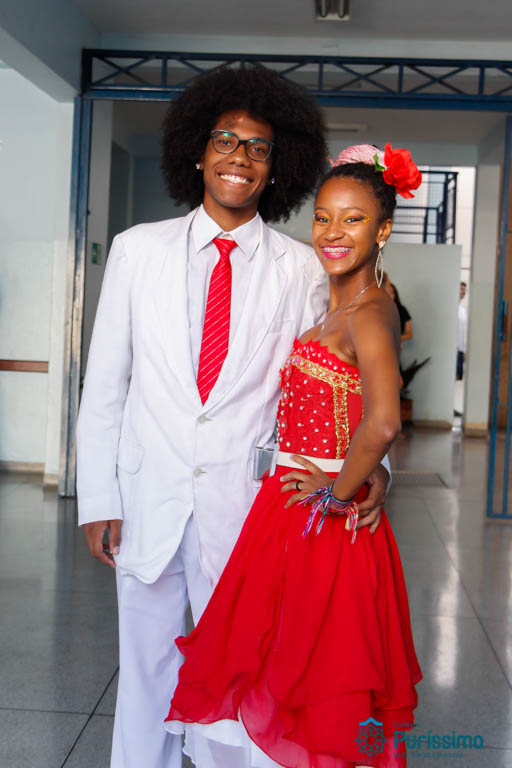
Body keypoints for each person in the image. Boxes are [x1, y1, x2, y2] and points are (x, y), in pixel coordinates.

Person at [76, 67, 391, 768]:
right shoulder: (136, 250)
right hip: (147, 498)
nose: (239, 158)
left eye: (257, 147)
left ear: (277, 166)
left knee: (243, 674)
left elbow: (339, 383)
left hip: (251, 510)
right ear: (198, 150)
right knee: (146, 670)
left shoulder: (302, 268)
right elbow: (106, 386)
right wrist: (98, 497)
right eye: (225, 140)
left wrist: (377, 471)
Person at [165, 143, 423, 768]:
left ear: (383, 231)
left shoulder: (371, 313)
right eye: (323, 217)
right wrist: (362, 477)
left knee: (314, 680)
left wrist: (338, 493)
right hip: (288, 511)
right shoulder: (342, 305)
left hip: (323, 522)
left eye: (354, 219)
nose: (333, 232)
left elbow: (384, 420)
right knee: (279, 666)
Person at [383, 276, 413, 343]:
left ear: (395, 294)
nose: (389, 295)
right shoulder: (379, 311)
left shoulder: (401, 310)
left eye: (391, 292)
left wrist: (394, 339)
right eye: (387, 292)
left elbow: (409, 334)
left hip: (396, 345)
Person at [457, 281, 468, 380]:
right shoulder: (451, 308)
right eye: (461, 289)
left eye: (465, 290)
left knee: (459, 376)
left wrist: (464, 351)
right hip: (453, 349)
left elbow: (464, 331)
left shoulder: (463, 311)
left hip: (460, 349)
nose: (463, 292)